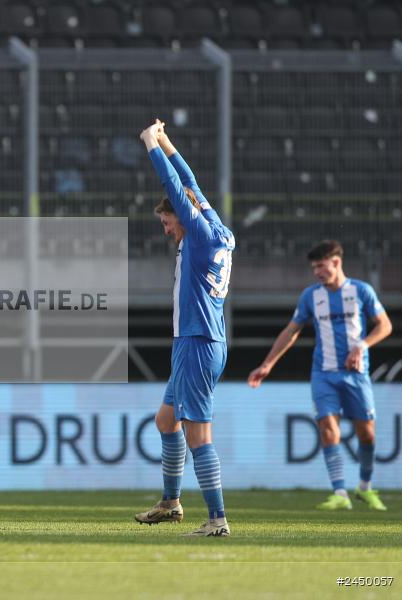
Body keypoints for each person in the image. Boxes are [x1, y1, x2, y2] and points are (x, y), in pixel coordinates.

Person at [134, 119, 236, 537]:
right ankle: (171, 502)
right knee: (166, 421)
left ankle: (217, 520)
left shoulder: (199, 234)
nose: (166, 229)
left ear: (183, 216)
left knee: (199, 436)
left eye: (167, 222)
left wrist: (150, 145)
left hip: (197, 342)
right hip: (198, 341)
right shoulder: (219, 230)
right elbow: (190, 183)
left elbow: (177, 187)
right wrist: (167, 140)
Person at [248, 240, 392, 511]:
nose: (316, 272)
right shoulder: (311, 296)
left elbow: (385, 326)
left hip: (356, 375)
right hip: (323, 374)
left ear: (336, 262)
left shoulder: (361, 291)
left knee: (367, 435)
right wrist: (267, 364)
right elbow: (291, 331)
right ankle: (340, 492)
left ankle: (364, 487)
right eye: (314, 268)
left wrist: (361, 346)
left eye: (321, 266)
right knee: (327, 429)